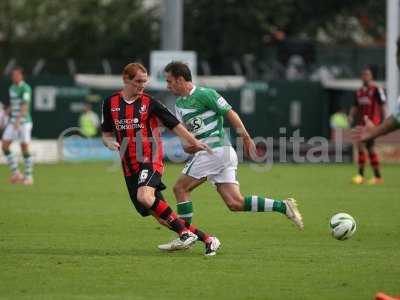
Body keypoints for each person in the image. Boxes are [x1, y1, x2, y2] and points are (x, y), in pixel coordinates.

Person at [158, 61, 303, 252]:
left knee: (180, 188)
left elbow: (230, 113)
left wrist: (245, 136)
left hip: (216, 151)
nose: (167, 86)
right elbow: (188, 137)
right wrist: (189, 147)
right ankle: (283, 207)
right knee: (235, 203)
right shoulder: (179, 104)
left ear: (180, 79)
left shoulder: (205, 94)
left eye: (169, 81)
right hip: (217, 154)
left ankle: (185, 236)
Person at [101, 62, 220, 256]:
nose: (142, 86)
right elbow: (106, 133)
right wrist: (108, 143)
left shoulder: (150, 103)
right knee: (161, 217)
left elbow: (175, 125)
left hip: (150, 158)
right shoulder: (110, 103)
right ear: (126, 80)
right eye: (138, 81)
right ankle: (208, 239)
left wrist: (194, 141)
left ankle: (184, 233)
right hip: (129, 166)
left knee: (144, 196)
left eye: (145, 82)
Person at [348, 66, 388, 185]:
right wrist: (350, 115)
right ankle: (377, 177)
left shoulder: (377, 89)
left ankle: (361, 175)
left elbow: (383, 105)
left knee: (361, 144)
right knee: (369, 148)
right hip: (361, 123)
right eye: (363, 74)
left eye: (367, 74)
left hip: (372, 123)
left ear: (371, 76)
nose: (365, 76)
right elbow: (355, 105)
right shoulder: (359, 91)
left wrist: (385, 121)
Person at [1, 67, 34, 185]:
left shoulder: (25, 88)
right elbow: (14, 103)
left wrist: (18, 121)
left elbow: (25, 105)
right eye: (12, 75)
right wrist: (6, 112)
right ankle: (16, 174)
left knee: (24, 147)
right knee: (4, 145)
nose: (13, 77)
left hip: (24, 122)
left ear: (21, 76)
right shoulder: (12, 88)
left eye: (15, 75)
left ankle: (29, 176)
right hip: (13, 121)